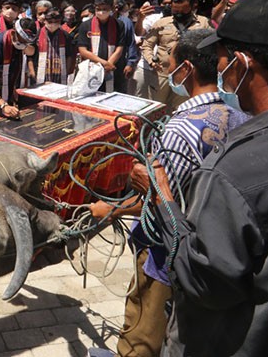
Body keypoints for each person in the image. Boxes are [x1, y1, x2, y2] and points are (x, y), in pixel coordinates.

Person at [128, 0, 268, 357]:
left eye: (221, 58)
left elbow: (203, 280)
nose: (219, 68)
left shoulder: (234, 169)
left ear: (241, 63)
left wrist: (162, 198)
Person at [90, 29, 249, 357]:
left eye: (170, 64)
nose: (167, 71)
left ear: (187, 69)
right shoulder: (239, 116)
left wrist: (111, 210)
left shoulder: (179, 128)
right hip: (212, 249)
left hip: (167, 252)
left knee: (144, 332)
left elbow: (159, 199)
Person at [141, 0, 210, 112]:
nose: (179, 14)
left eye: (183, 10)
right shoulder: (161, 23)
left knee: (180, 108)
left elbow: (210, 45)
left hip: (187, 76)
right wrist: (151, 60)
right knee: (155, 108)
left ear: (191, 7)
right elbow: (147, 45)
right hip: (162, 74)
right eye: (175, 10)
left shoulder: (203, 23)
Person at [77, 0, 128, 93]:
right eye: (98, 9)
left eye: (105, 9)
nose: (101, 12)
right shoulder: (85, 25)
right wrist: (104, 63)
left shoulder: (119, 25)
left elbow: (119, 48)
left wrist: (109, 64)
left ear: (112, 9)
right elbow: (82, 50)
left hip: (113, 69)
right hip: (92, 69)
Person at [31, 9, 75, 86]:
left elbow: (69, 55)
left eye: (56, 22)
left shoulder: (65, 35)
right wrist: (32, 73)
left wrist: (67, 72)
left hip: (59, 75)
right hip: (41, 74)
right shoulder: (38, 34)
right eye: (50, 22)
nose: (53, 24)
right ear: (45, 21)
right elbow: (30, 55)